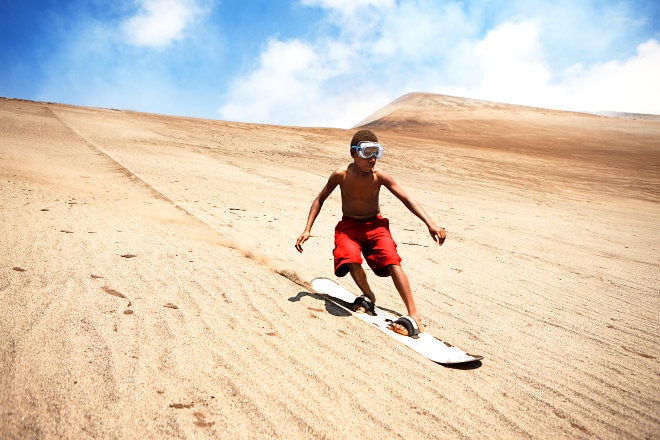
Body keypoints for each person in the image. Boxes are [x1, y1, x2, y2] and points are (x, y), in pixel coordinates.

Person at [295, 129, 446, 337]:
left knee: (392, 260)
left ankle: (414, 315)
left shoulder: (379, 176)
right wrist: (307, 229)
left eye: (377, 152)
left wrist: (431, 224)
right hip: (349, 227)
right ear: (354, 153)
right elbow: (319, 199)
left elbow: (407, 199)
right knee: (349, 257)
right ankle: (368, 296)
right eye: (367, 152)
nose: (373, 158)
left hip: (375, 226)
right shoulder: (341, 174)